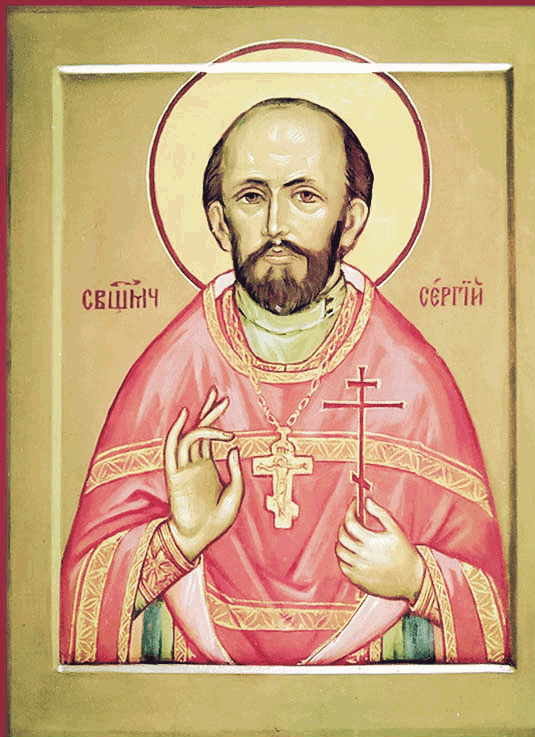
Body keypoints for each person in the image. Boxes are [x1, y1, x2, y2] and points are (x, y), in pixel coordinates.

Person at [60, 97, 510, 665]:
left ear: (350, 221)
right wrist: (179, 541)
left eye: (304, 196)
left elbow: (498, 616)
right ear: (219, 221)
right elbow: (74, 611)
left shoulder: (412, 379)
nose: (276, 226)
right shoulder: (172, 375)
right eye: (252, 197)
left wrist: (417, 579)